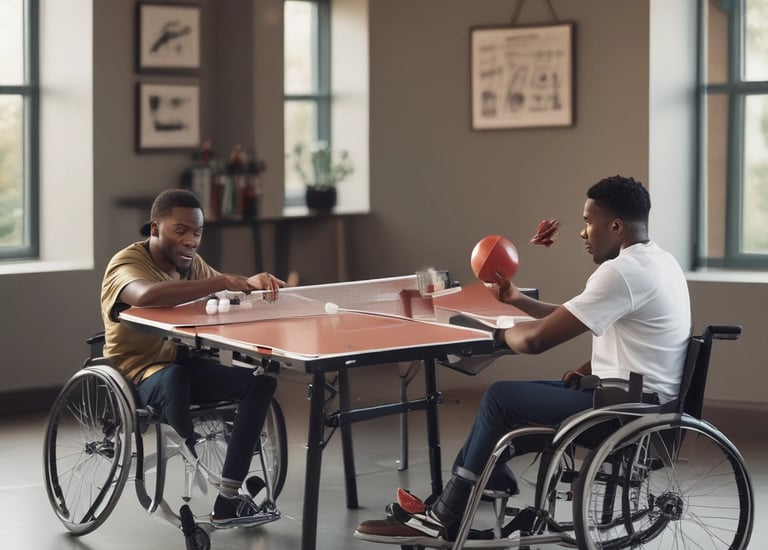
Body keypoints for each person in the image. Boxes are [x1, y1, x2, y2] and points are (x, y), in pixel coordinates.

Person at [356, 175, 691, 541]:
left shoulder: (622, 272)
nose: (583, 233)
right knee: (507, 402)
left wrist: (493, 334)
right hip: (642, 400)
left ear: (615, 226)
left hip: (624, 412)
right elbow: (570, 313)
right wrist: (515, 299)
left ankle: (444, 515)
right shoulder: (658, 261)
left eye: (588, 222)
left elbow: (534, 342)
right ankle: (472, 489)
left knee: (501, 398)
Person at [100, 188, 286, 529]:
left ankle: (228, 498)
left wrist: (251, 284)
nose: (191, 241)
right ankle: (189, 444)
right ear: (155, 229)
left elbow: (224, 288)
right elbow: (145, 295)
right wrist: (223, 281)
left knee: (260, 384)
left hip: (180, 364)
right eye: (180, 230)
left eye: (197, 233)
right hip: (138, 373)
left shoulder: (191, 265)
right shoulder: (125, 263)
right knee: (175, 377)